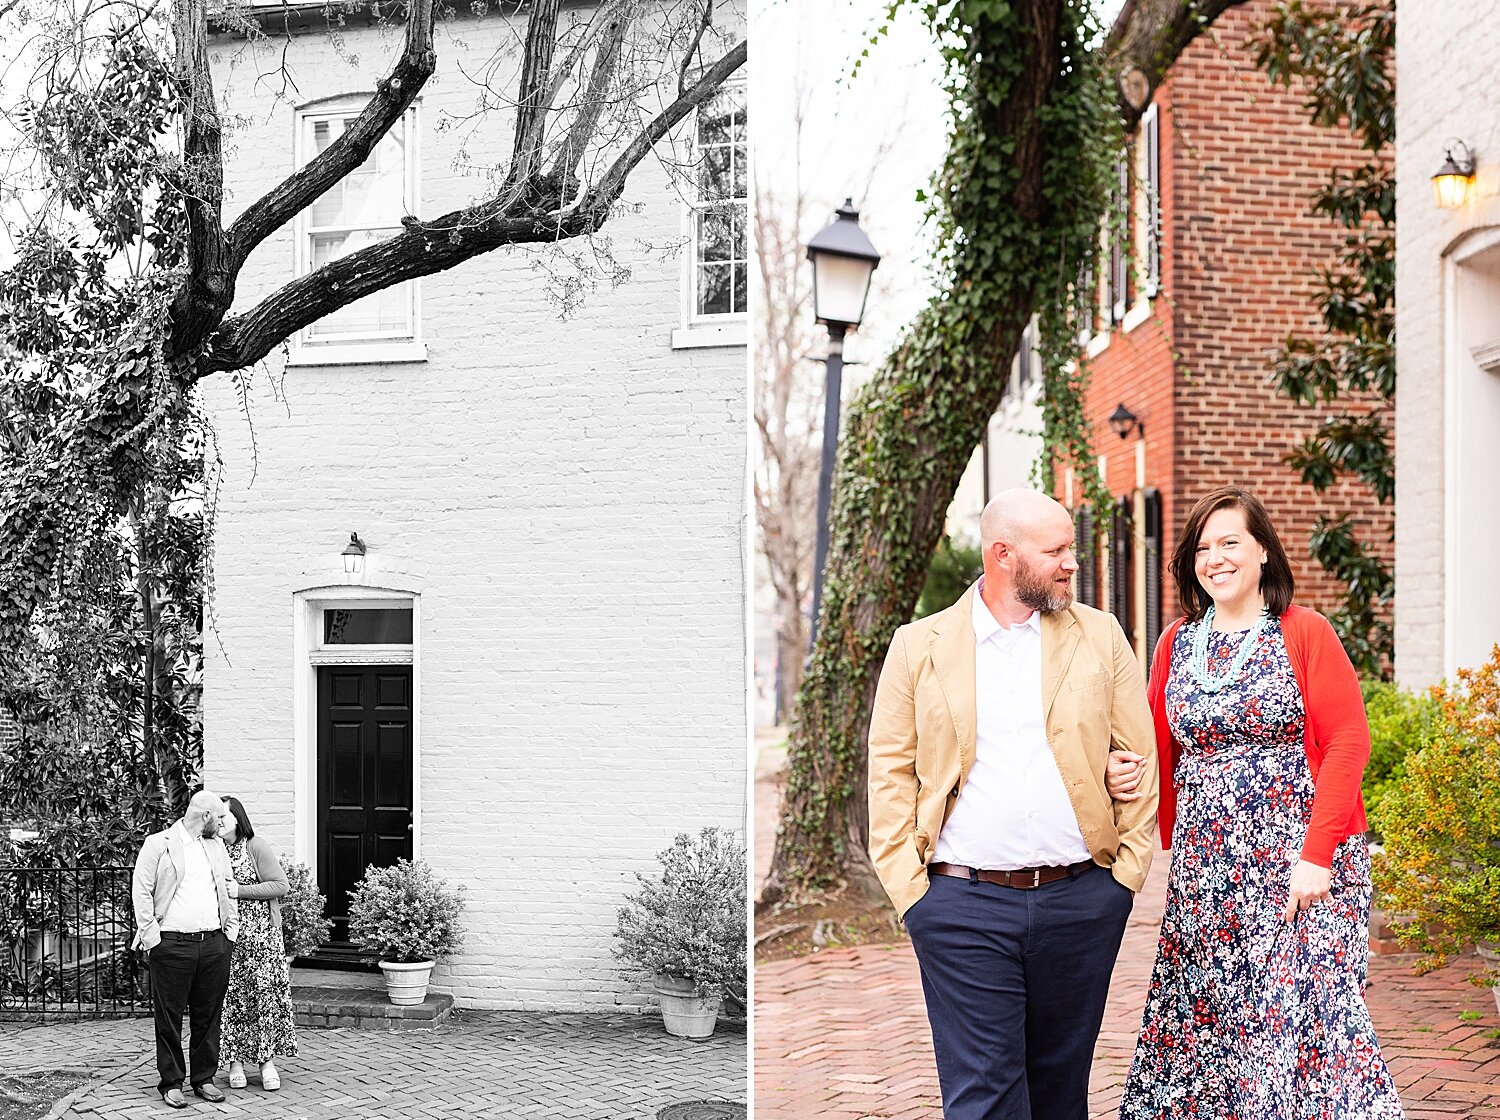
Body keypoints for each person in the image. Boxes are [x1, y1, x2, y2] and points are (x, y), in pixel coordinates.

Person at [1107, 486, 1404, 1119]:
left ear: (1263, 551)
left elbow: (1350, 741)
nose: (1215, 558)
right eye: (1203, 548)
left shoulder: (1304, 632)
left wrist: (1317, 856)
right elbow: (1159, 746)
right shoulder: (1176, 644)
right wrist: (1120, 772)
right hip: (1206, 873)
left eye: (1230, 543)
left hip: (1300, 867)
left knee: (1303, 1024)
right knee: (1209, 1021)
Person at [867, 488, 1160, 1120]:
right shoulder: (918, 647)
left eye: (1070, 549)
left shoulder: (1100, 636)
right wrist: (912, 893)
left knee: (1060, 1091)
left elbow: (1139, 753)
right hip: (961, 903)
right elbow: (889, 772)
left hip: (1083, 900)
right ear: (1004, 554)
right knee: (986, 1097)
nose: (1071, 564)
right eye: (1055, 550)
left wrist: (1126, 875)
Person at [131, 789, 240, 1109]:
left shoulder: (216, 845)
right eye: (219, 817)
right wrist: (152, 938)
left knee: (208, 1016)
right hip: (172, 945)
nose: (223, 824)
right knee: (170, 1017)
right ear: (205, 816)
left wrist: (229, 933)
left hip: (214, 944)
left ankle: (203, 1079)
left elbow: (227, 886)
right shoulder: (158, 844)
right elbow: (142, 891)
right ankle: (172, 1082)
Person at [216, 796, 297, 1092]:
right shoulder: (213, 849)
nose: (219, 821)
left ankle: (266, 1063)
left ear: (238, 817)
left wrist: (240, 890)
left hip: (263, 939)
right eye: (215, 816)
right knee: (232, 1001)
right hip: (227, 940)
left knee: (263, 1000)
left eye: (224, 816)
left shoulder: (255, 846)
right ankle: (234, 1063)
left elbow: (280, 885)